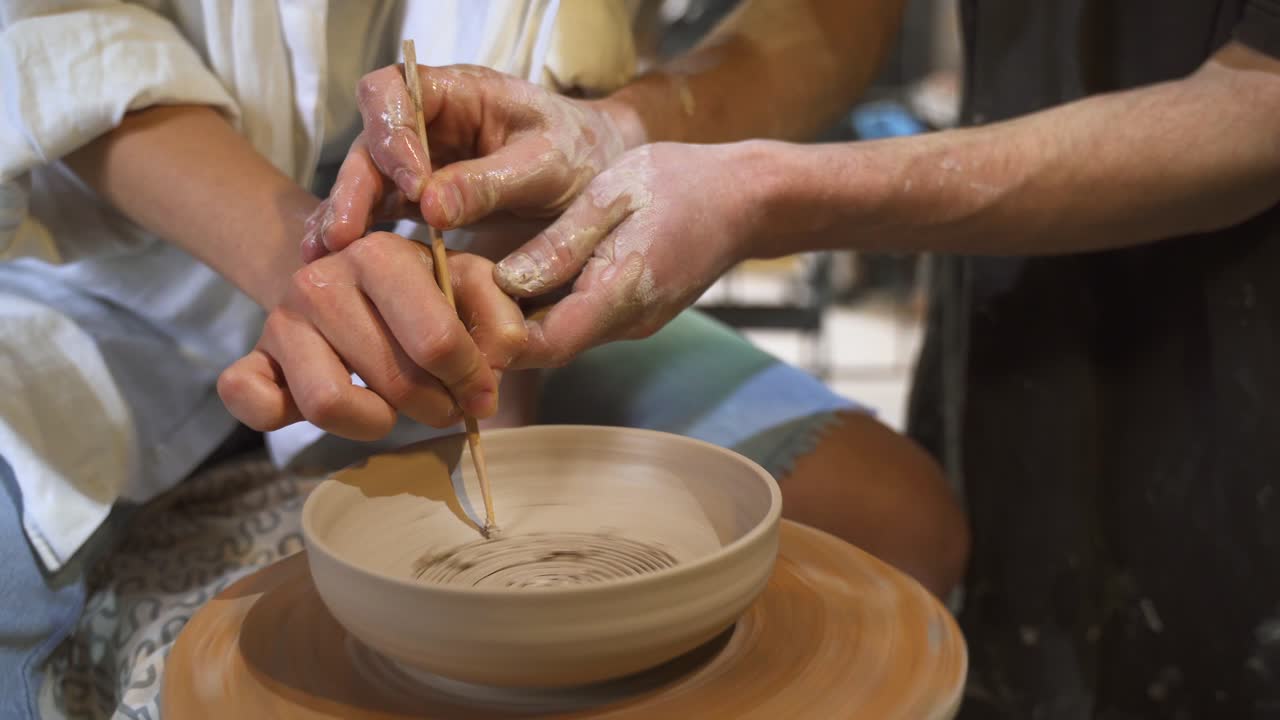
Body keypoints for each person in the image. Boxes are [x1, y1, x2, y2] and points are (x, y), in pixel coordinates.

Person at [244, 0, 1280, 716]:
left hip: (1233, 302)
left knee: (921, 533)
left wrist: (759, 190)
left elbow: (1257, 105)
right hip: (219, 266)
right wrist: (615, 133)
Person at [0, 3, 966, 716]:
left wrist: (618, 128)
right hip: (104, 281)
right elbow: (58, 41)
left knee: (897, 518)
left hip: (483, 276)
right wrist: (307, 256)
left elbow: (838, 14)